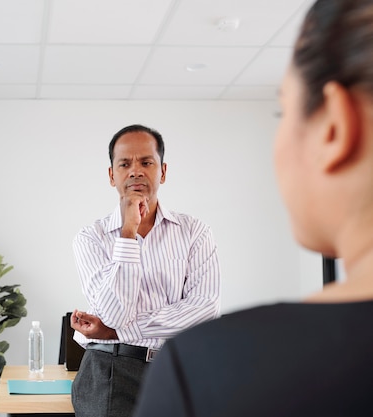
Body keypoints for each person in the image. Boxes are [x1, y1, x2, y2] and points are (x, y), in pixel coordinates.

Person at [134, 1, 373, 416]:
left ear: (334, 127)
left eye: (284, 111)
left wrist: (126, 326)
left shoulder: (207, 367)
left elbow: (201, 307)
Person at [70, 124, 221, 417]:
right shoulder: (91, 238)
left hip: (176, 370)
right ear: (112, 175)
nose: (135, 171)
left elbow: (204, 309)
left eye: (146, 162)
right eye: (125, 163)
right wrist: (128, 233)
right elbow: (113, 312)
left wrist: (117, 330)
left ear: (162, 171)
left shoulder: (194, 232)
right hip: (110, 372)